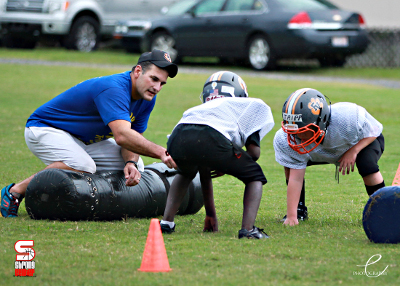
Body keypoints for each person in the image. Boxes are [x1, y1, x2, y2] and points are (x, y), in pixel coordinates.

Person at [1, 49, 178, 218]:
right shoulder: (114, 88)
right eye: (154, 79)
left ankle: (93, 200)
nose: (157, 87)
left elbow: (131, 140)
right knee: (83, 165)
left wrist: (130, 161)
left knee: (136, 167)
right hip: (45, 128)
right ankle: (14, 191)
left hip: (81, 139)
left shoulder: (146, 98)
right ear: (138, 71)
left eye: (162, 83)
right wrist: (162, 152)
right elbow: (122, 136)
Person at [160, 71, 275, 239]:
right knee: (255, 176)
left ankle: (166, 223)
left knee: (185, 172)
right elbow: (254, 154)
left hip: (178, 136)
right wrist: (226, 162)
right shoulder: (250, 106)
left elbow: (204, 170)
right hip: (211, 137)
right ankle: (248, 230)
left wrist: (211, 214)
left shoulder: (201, 108)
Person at [273, 88, 385, 226]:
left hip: (361, 142)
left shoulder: (347, 118)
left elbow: (375, 129)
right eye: (293, 130)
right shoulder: (285, 138)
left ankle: (384, 209)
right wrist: (291, 216)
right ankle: (298, 211)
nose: (297, 137)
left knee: (367, 165)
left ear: (321, 121)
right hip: (321, 149)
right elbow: (296, 179)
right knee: (291, 166)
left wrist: (354, 151)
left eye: (303, 131)